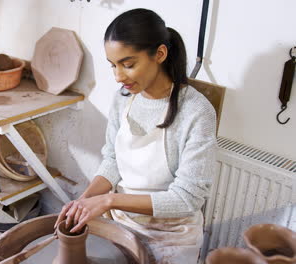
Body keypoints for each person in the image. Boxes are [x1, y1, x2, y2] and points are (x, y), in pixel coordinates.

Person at [54, 8, 217, 264]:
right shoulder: (123, 99)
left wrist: (108, 200)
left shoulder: (196, 112)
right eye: (113, 65)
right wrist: (84, 201)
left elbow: (186, 199)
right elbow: (112, 160)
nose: (118, 77)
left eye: (128, 65)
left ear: (160, 54)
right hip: (124, 223)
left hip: (171, 235)